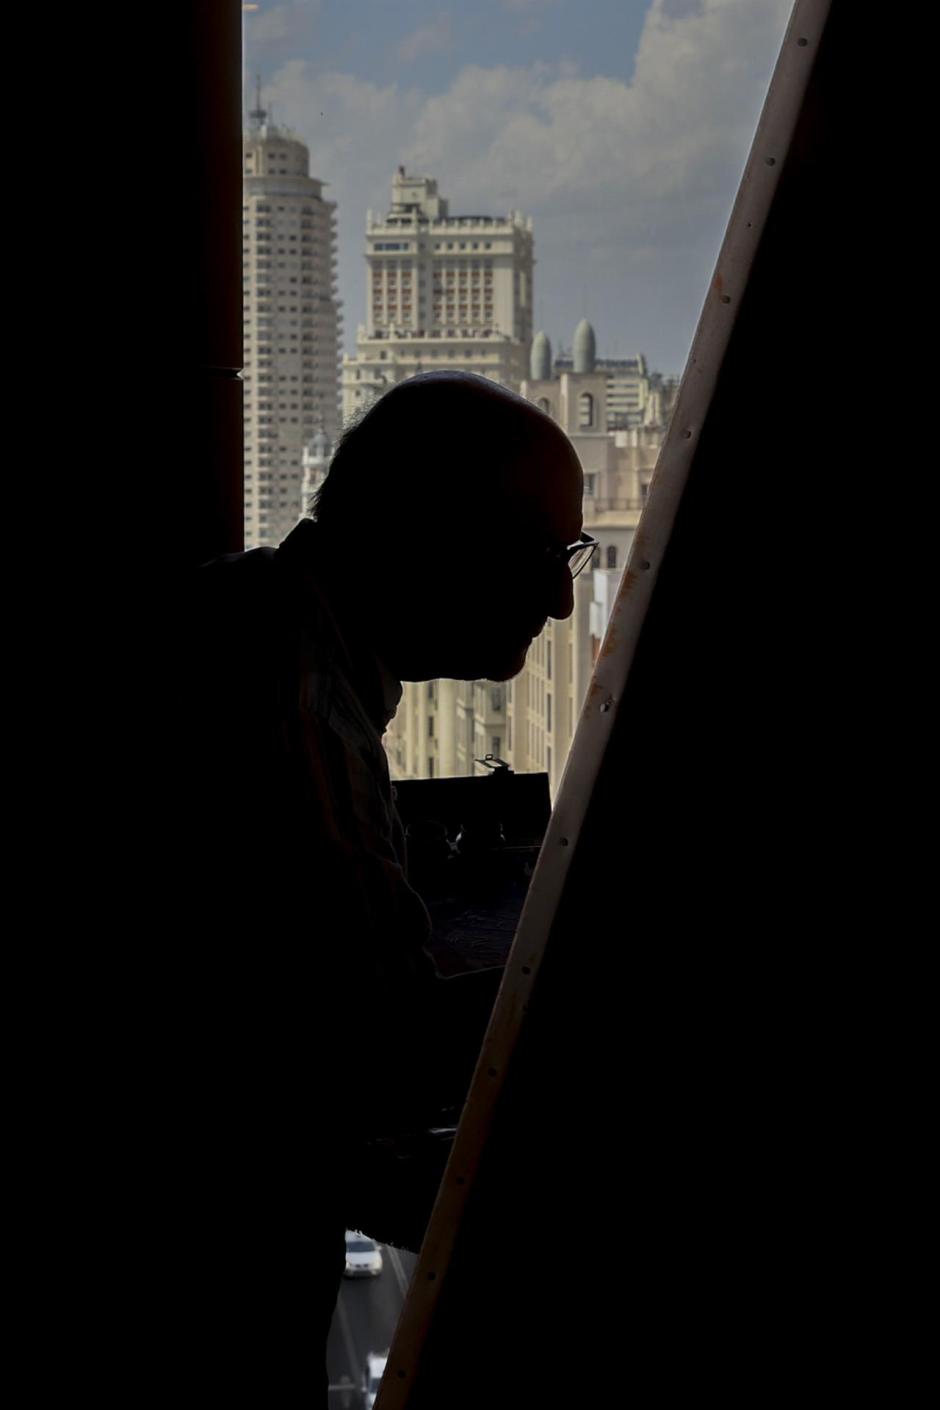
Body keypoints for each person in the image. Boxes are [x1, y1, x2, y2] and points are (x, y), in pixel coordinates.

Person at [174, 371, 589, 1402]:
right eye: (544, 557)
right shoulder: (297, 710)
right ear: (429, 537)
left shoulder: (247, 624)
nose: (560, 599)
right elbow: (367, 1054)